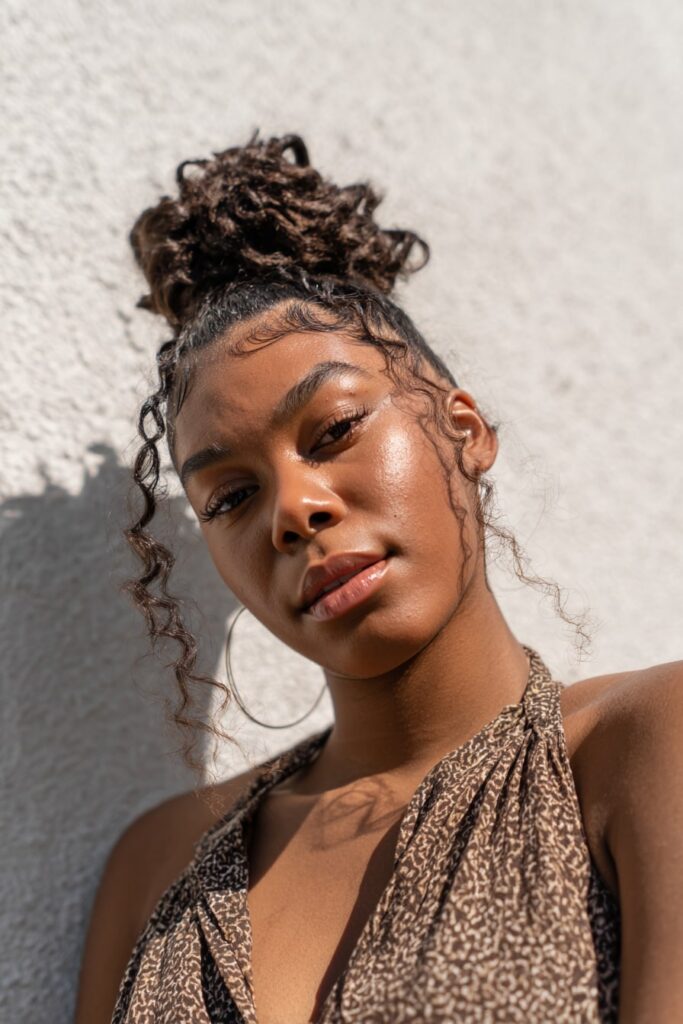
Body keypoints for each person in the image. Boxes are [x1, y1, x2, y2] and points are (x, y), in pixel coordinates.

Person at [74, 133, 683, 1024]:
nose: (294, 509)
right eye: (231, 495)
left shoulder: (640, 751)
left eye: (333, 431)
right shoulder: (158, 866)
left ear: (464, 428)